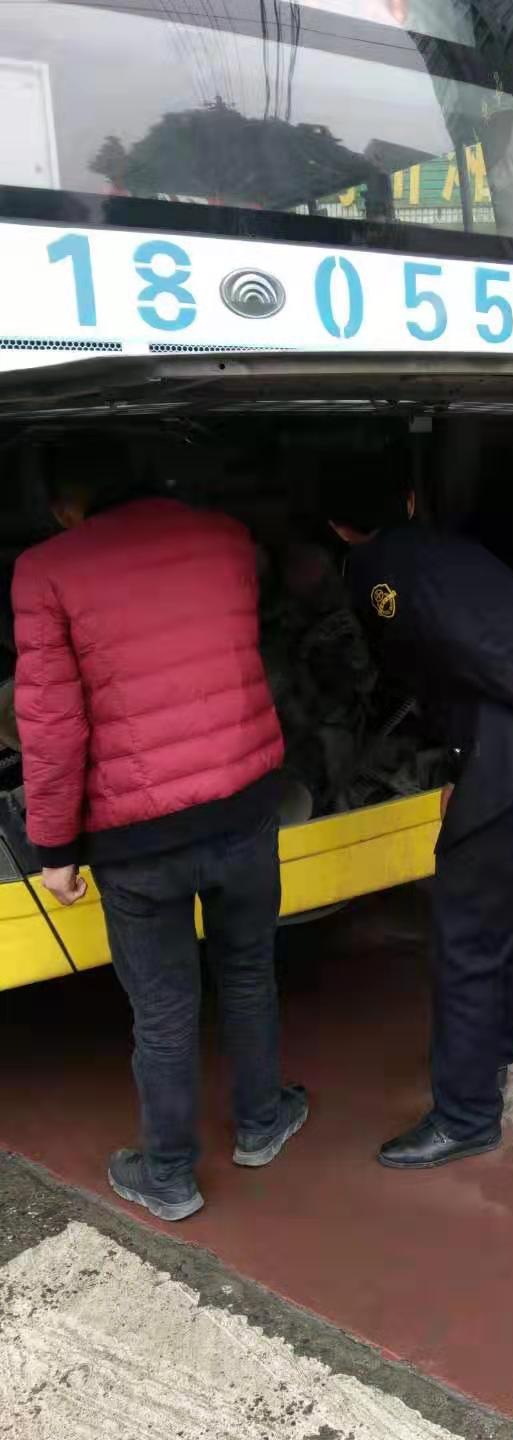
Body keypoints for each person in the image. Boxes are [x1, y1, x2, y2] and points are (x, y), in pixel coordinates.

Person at [12, 439, 305, 1223]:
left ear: (64, 506)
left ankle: (169, 1173)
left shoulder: (46, 569)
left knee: (165, 1008)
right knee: (248, 972)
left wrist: (54, 848)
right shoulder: (224, 537)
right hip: (244, 806)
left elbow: (51, 724)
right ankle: (262, 1122)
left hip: (138, 839)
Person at [321, 466, 513, 1169]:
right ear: (411, 497)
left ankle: (467, 1115)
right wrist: (463, 762)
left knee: (468, 941)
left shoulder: (379, 570)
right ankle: (493, 1049)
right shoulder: (455, 550)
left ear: (337, 529)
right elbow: (477, 650)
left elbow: (460, 651)